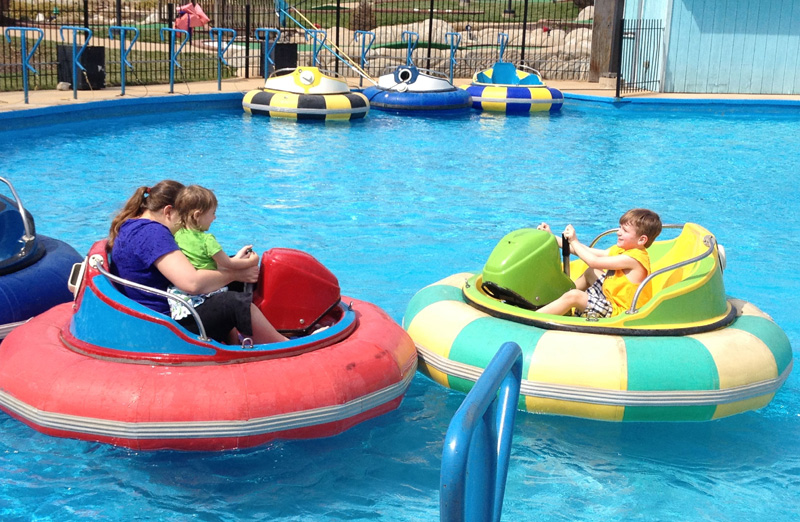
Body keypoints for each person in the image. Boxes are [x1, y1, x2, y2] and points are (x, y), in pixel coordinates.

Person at [108, 180, 287, 345]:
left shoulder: (133, 225)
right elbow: (192, 283)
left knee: (235, 283)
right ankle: (286, 345)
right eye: (183, 217)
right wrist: (235, 273)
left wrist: (231, 264)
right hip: (167, 326)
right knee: (234, 302)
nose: (185, 224)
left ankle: (240, 339)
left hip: (158, 316)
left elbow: (192, 266)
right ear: (168, 211)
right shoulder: (153, 234)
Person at [535, 208, 662, 318]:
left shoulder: (634, 259)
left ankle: (534, 317)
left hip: (621, 313)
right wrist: (552, 237)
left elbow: (594, 261)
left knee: (575, 296)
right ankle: (555, 303)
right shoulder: (622, 250)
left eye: (625, 230)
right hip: (611, 298)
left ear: (641, 240)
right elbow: (586, 251)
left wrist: (573, 240)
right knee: (591, 272)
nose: (618, 232)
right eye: (620, 228)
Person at [166, 184, 257, 321]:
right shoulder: (207, 240)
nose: (214, 218)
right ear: (197, 215)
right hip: (207, 289)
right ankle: (237, 340)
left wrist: (238, 257)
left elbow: (205, 262)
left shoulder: (178, 234)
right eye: (212, 213)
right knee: (233, 301)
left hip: (183, 296)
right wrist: (251, 261)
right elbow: (228, 263)